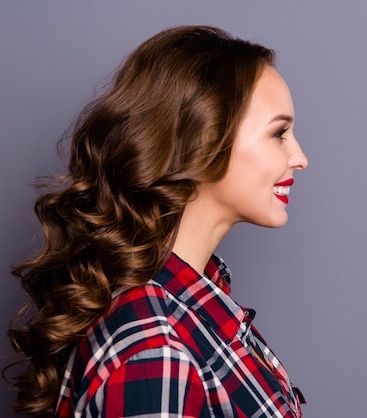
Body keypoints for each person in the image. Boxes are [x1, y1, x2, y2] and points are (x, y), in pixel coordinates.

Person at [6, 25, 308, 418]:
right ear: (202, 140)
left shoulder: (197, 302)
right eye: (279, 133)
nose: (300, 157)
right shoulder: (156, 352)